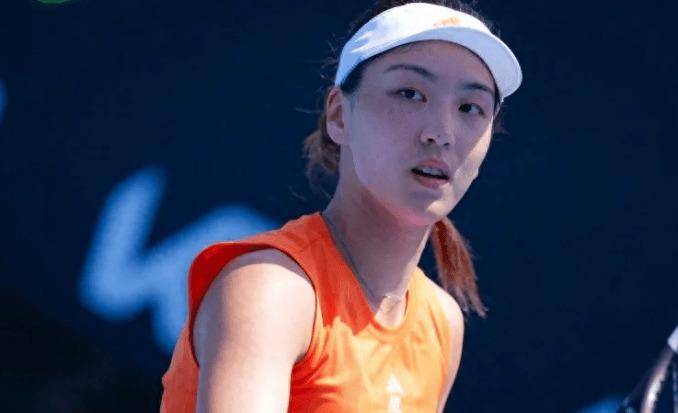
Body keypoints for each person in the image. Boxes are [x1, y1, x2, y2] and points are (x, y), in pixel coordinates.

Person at [159, 1, 522, 412]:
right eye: (410, 93)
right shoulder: (270, 288)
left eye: (470, 108)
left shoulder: (442, 322)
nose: (441, 132)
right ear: (338, 115)